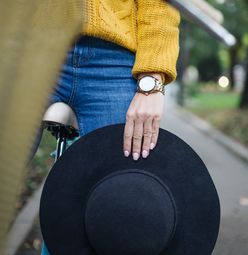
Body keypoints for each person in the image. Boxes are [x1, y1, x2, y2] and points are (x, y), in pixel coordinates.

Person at [41, 0, 180, 254]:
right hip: (30, 47)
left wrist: (152, 79)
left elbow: (159, 5)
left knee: (122, 195)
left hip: (113, 57)